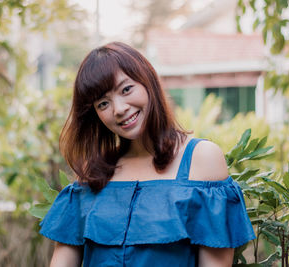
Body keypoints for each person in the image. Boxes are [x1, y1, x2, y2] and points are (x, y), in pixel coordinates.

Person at [39, 42, 255, 267]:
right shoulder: (93, 174)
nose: (119, 109)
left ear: (148, 82)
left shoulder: (202, 159)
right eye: (103, 103)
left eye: (126, 89)